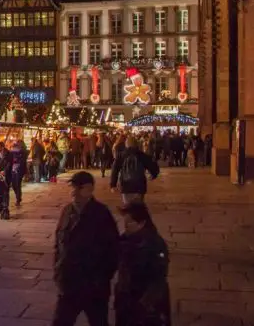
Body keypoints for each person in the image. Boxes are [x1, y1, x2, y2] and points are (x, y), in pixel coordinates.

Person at [52, 172, 119, 326]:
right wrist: (58, 270)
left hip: (93, 286)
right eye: (72, 187)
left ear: (89, 189)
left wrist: (101, 278)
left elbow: (114, 250)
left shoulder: (101, 214)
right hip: (69, 283)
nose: (73, 191)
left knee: (98, 322)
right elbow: (58, 244)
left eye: (78, 187)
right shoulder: (67, 211)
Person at [114, 202, 171, 326]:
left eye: (129, 222)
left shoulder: (155, 245)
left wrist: (143, 306)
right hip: (126, 301)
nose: (125, 226)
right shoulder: (126, 238)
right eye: (124, 222)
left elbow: (158, 280)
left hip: (144, 307)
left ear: (142, 223)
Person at [110, 137, 160, 205]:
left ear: (126, 144)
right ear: (136, 144)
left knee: (127, 206)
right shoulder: (142, 155)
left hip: (126, 185)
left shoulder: (121, 156)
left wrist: (113, 185)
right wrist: (153, 175)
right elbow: (153, 166)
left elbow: (114, 170)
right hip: (139, 185)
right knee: (138, 207)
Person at [9, 140, 26, 206]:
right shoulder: (12, 152)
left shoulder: (23, 152)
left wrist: (17, 160)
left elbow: (23, 161)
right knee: (13, 185)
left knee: (18, 184)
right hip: (13, 170)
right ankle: (18, 196)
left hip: (19, 170)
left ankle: (18, 199)